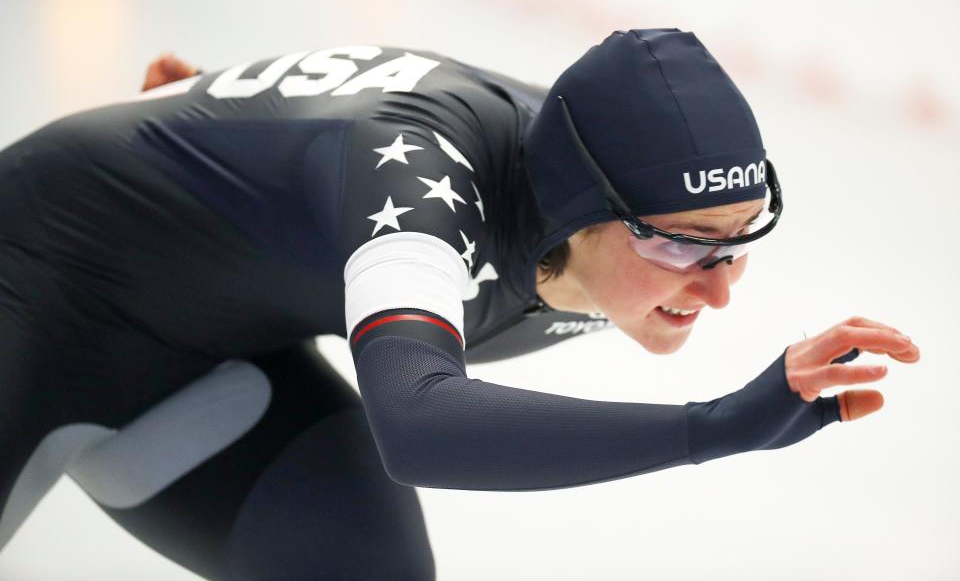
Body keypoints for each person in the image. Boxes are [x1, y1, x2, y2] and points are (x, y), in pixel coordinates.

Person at [0, 29, 919, 580]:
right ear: (579, 210)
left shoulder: (589, 192)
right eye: (683, 243)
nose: (720, 290)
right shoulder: (426, 183)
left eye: (740, 241)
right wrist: (715, 427)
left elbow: (325, 136)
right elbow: (421, 423)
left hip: (213, 354)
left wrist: (248, 168)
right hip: (31, 276)